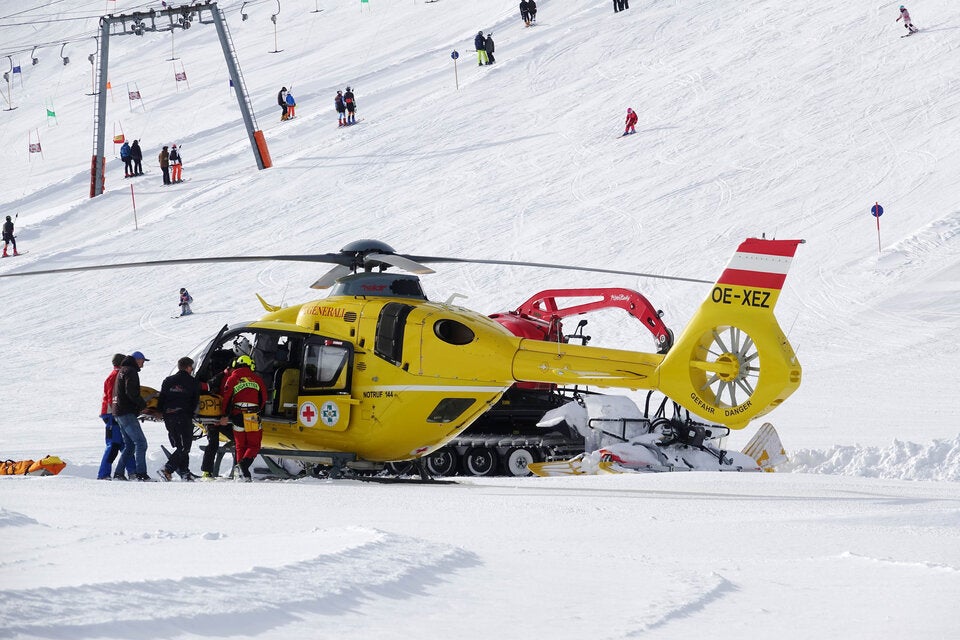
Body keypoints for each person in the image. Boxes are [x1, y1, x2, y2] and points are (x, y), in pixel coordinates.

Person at [218, 354, 268, 481]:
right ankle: (242, 467)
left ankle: (239, 473)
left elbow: (227, 398)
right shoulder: (257, 379)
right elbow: (263, 398)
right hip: (252, 415)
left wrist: (224, 415)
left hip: (237, 415)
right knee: (254, 445)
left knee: (240, 445)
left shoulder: (232, 378)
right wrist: (258, 410)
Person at [157, 357, 201, 481]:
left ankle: (184, 472)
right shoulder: (193, 382)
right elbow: (195, 401)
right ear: (188, 367)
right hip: (183, 416)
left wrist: (161, 412)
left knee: (180, 445)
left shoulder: (168, 380)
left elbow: (162, 398)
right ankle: (167, 469)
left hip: (169, 417)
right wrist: (193, 414)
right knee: (185, 446)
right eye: (191, 367)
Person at [113, 351, 152, 481]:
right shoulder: (131, 371)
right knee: (141, 443)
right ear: (137, 359)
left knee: (130, 445)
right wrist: (142, 406)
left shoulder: (122, 370)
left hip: (118, 412)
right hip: (126, 412)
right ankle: (141, 474)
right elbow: (131, 392)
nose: (143, 364)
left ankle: (118, 473)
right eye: (142, 361)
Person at [98, 353, 135, 480]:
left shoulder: (115, 374)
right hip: (112, 413)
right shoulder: (116, 376)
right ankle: (104, 474)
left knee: (125, 444)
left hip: (112, 413)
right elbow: (111, 397)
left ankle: (131, 472)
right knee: (114, 444)